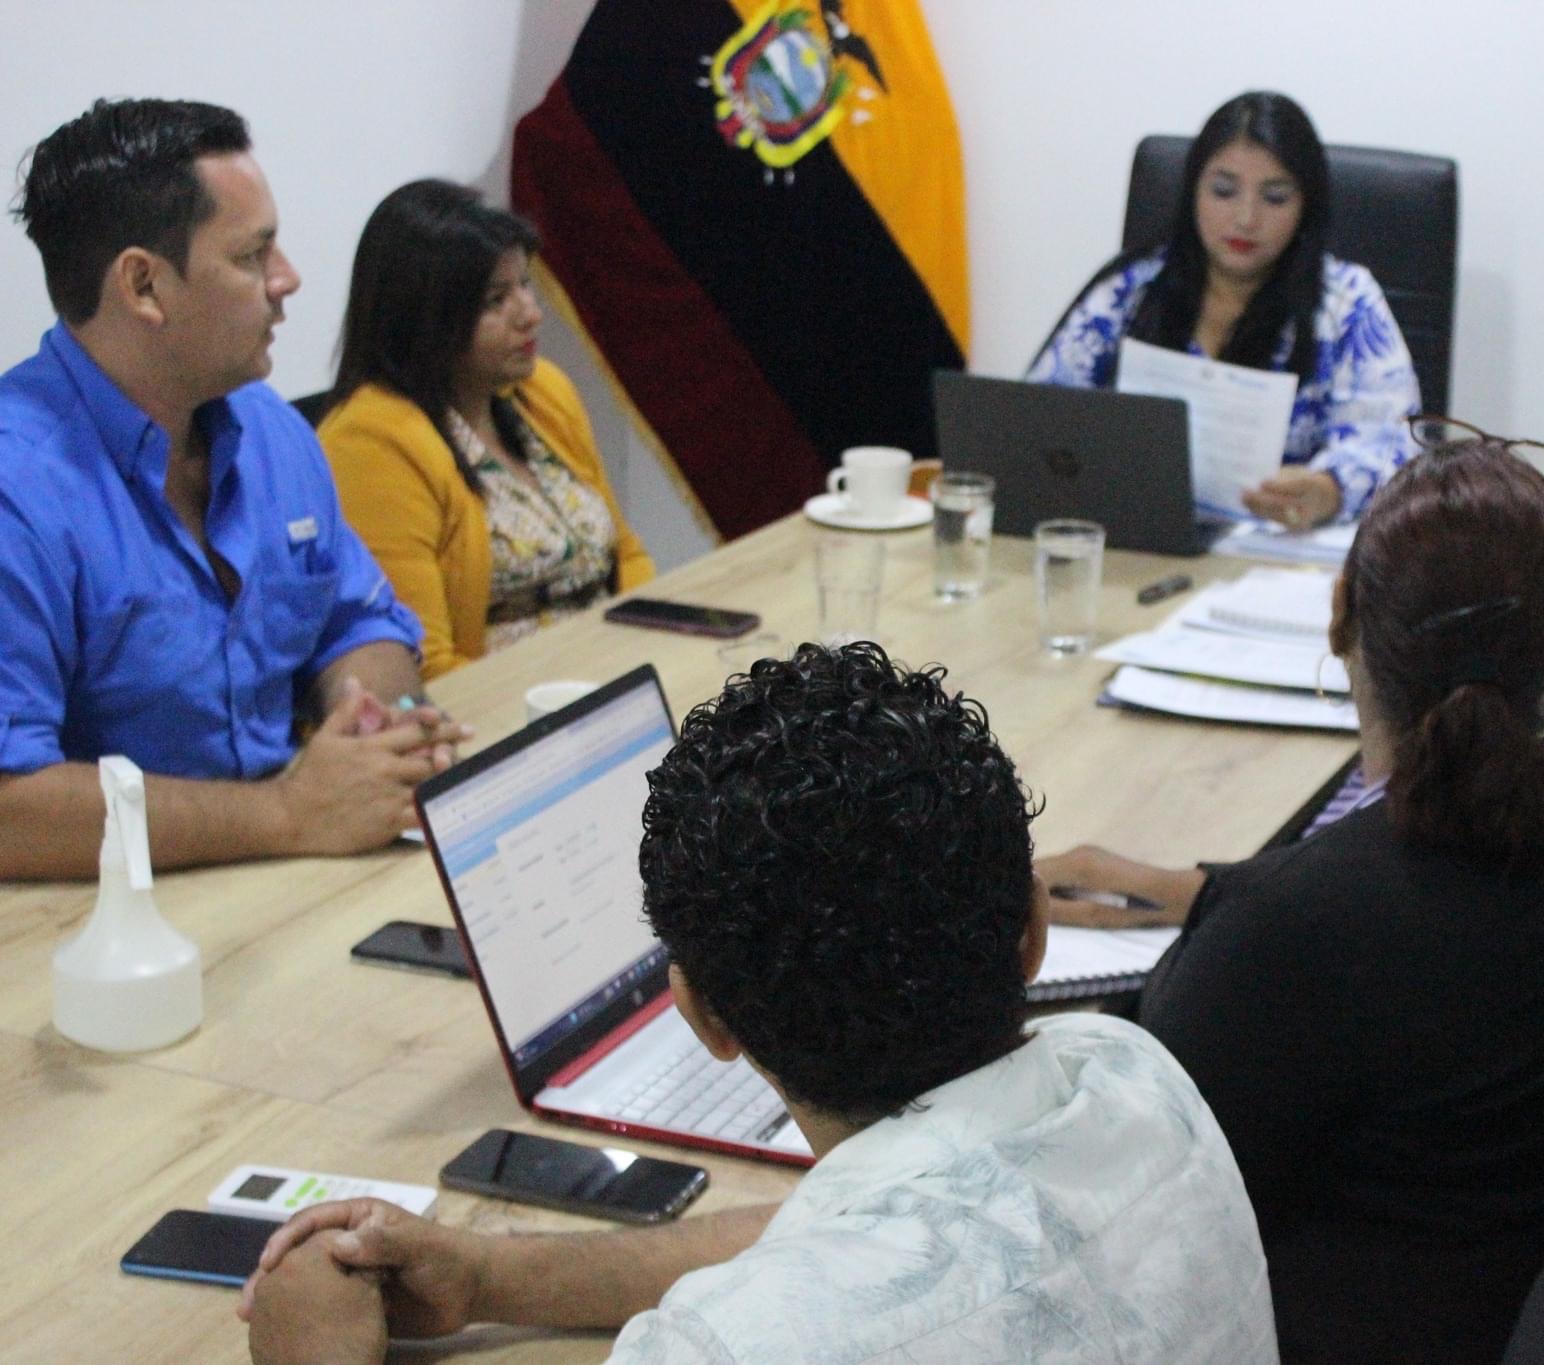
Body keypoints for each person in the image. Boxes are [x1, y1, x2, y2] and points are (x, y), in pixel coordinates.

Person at [240, 642, 1278, 1364]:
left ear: (705, 1019)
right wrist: (486, 1277)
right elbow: (855, 1235)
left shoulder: (732, 1348)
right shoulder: (1132, 1078)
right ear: (1033, 931)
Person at [1038, 440, 1544, 1363]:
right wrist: (1209, 892)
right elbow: (1415, 933)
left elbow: (1109, 1208)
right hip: (1488, 1287)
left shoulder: (1299, 931)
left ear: (1339, 616)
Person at [0, 99, 461, 880]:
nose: (288, 279)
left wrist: (382, 730)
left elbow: (354, 620)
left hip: (292, 868)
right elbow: (10, 807)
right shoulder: (19, 489)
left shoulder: (267, 426)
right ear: (144, 285)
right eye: (252, 256)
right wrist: (287, 815)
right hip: (108, 917)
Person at [1026, 90, 1420, 528]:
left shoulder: (1347, 303)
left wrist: (1328, 489)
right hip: (1139, 540)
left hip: (1279, 551)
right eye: (1223, 191)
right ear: (1192, 190)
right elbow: (1039, 416)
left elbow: (1397, 447)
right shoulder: (1131, 289)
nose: (1246, 218)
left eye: (1275, 198)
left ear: (1306, 205)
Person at [318, 179, 653, 680]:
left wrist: (657, 652)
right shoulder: (371, 442)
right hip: (507, 707)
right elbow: (422, 665)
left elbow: (625, 555)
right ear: (424, 316)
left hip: (618, 674)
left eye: (524, 285)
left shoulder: (542, 391)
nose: (531, 314)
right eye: (496, 300)